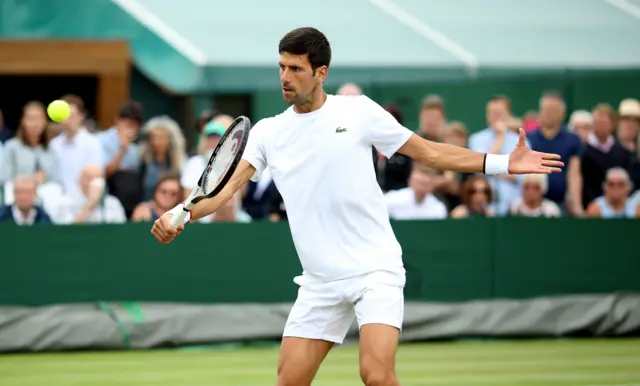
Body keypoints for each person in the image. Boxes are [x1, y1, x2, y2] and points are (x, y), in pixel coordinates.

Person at [151, 27, 563, 386]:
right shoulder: (268, 132)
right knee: (288, 382)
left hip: (374, 270)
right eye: (281, 67)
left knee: (377, 376)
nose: (285, 77)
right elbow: (222, 191)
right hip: (319, 282)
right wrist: (181, 214)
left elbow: (430, 154)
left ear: (321, 72)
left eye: (295, 68)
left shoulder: (360, 111)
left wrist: (504, 163)